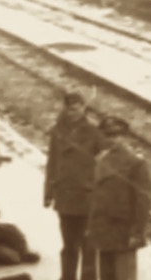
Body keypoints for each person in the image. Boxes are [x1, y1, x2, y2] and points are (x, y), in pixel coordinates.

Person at [44, 92, 105, 280]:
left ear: (84, 108)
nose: (73, 112)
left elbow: (104, 164)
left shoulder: (94, 132)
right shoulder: (57, 131)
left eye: (77, 108)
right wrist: (48, 192)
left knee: (88, 245)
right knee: (68, 244)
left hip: (87, 196)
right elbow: (52, 162)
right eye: (69, 108)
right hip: (65, 195)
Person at [86, 117, 151, 280]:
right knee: (106, 276)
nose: (113, 140)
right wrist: (91, 226)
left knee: (124, 276)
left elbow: (143, 201)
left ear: (126, 137)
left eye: (117, 136)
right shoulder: (101, 160)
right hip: (104, 230)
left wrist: (137, 233)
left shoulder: (136, 163)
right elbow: (96, 197)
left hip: (124, 232)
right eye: (108, 136)